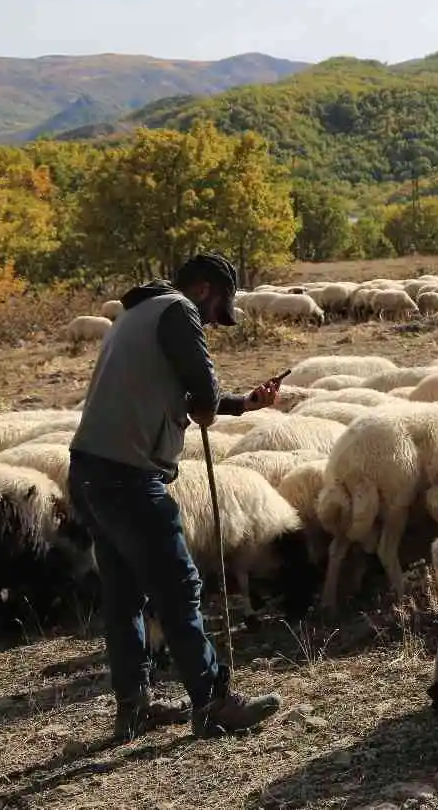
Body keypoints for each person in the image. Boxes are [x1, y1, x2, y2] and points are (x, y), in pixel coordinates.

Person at [68, 251, 287, 741]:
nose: (211, 322)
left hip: (88, 470)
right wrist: (213, 404)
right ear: (205, 290)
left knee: (124, 594)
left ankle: (135, 706)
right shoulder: (179, 311)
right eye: (215, 312)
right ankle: (212, 703)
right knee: (178, 587)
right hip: (128, 478)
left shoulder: (136, 313)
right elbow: (202, 394)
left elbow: (180, 395)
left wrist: (242, 404)